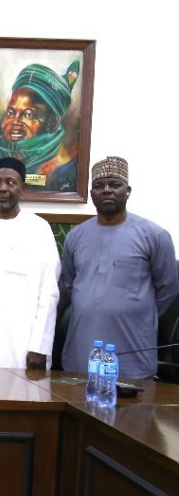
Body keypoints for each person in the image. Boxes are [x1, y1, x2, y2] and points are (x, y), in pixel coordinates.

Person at [60, 156, 179, 378]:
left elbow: (168, 290)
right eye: (99, 186)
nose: (106, 190)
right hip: (79, 354)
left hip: (133, 354)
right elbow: (69, 285)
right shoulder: (75, 237)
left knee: (133, 412)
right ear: (91, 193)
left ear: (128, 190)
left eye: (115, 185)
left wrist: (136, 312)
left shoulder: (154, 235)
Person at [0, 157, 60, 369]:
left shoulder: (39, 229)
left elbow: (49, 293)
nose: (2, 188)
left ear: (23, 187)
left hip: (25, 340)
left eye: (10, 182)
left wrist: (40, 346)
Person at [0, 61, 81, 192]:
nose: (15, 122)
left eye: (28, 115)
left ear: (53, 122)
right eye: (10, 112)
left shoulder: (63, 166)